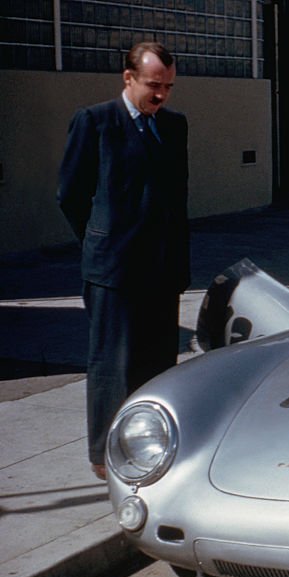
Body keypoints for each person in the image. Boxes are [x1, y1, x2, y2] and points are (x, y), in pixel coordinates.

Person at [57, 42, 190, 480]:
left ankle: (150, 446)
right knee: (113, 365)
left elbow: (177, 199)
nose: (161, 95)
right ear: (128, 78)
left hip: (161, 268)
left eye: (168, 87)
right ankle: (105, 455)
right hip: (113, 270)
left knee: (157, 364)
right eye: (154, 85)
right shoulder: (95, 122)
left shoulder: (173, 127)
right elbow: (71, 194)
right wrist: (99, 239)